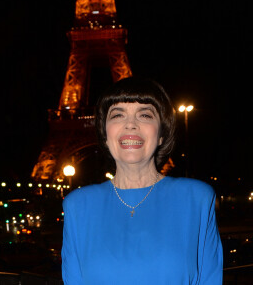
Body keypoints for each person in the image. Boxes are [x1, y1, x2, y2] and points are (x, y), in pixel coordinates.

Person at [61, 77, 223, 284]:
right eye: (118, 115)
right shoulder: (77, 205)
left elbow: (209, 278)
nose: (130, 124)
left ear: (162, 134)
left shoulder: (197, 198)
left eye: (145, 115)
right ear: (105, 134)